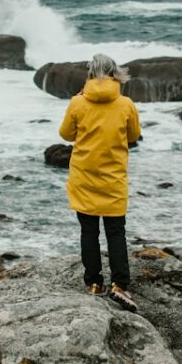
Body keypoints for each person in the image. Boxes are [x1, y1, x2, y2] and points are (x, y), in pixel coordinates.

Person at [58, 53, 141, 311]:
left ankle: (94, 283)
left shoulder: (78, 103)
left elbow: (65, 134)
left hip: (84, 176)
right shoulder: (125, 104)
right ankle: (120, 285)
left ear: (90, 73)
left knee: (89, 231)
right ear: (115, 73)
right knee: (116, 232)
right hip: (113, 177)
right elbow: (134, 135)